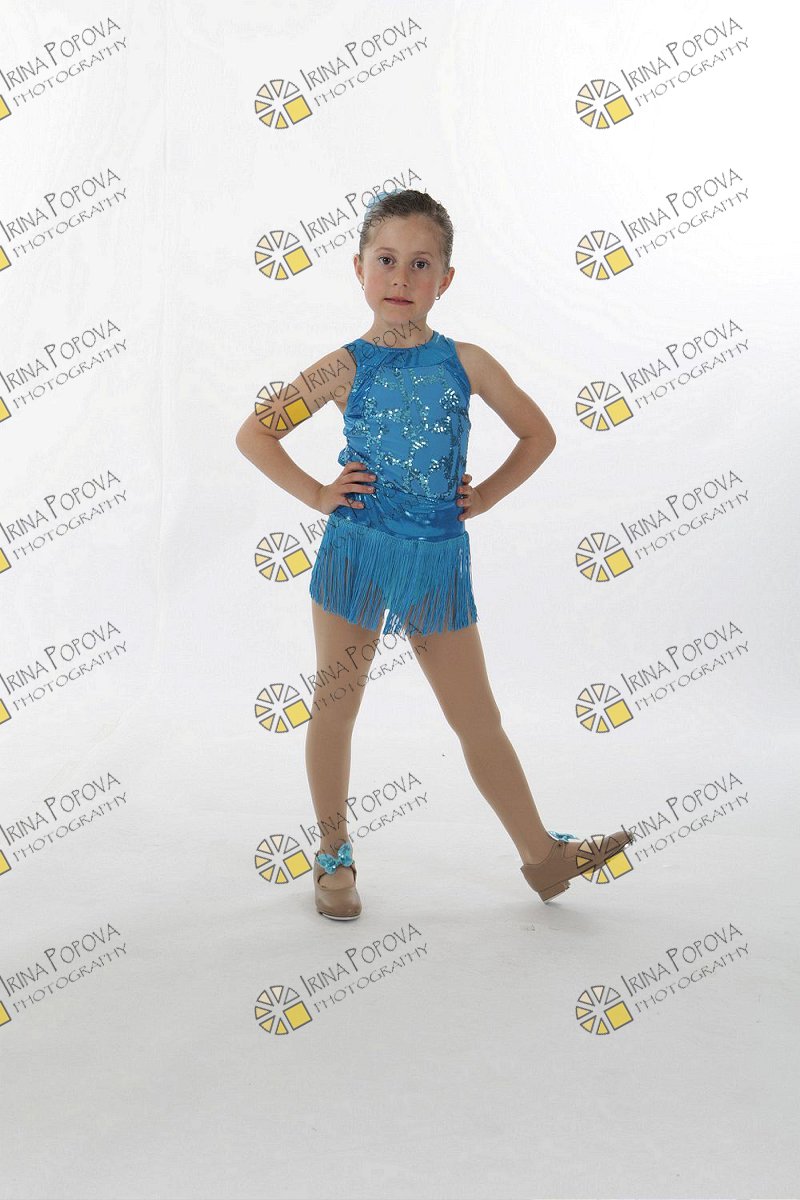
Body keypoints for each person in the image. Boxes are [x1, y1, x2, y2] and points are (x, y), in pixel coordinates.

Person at [235, 188, 631, 920]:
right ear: (359, 268)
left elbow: (538, 434)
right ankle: (333, 855)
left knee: (478, 719)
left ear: (444, 279)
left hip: (437, 562)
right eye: (386, 260)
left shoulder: (466, 363)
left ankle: (542, 857)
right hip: (357, 553)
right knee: (336, 706)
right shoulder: (344, 366)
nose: (401, 277)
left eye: (420, 264)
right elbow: (255, 433)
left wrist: (487, 497)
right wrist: (319, 494)